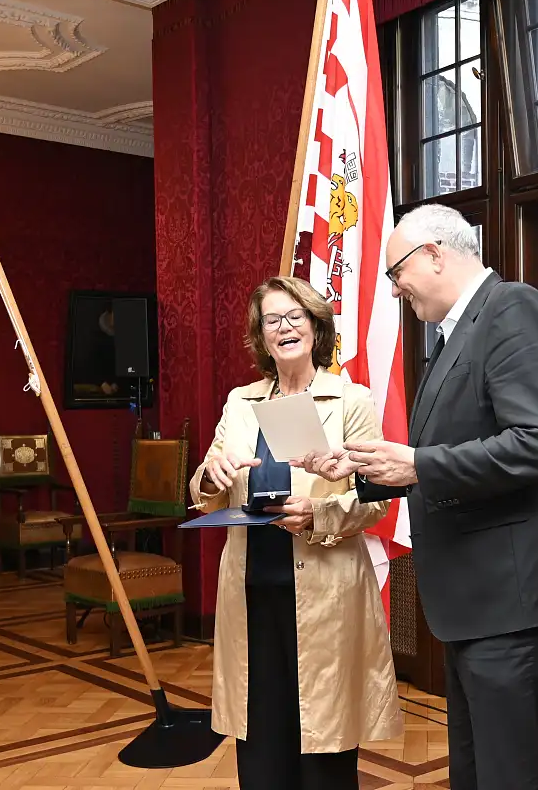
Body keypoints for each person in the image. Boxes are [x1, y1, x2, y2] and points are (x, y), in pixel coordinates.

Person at [297, 204, 538, 790]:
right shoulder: (458, 331)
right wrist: (363, 466)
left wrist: (414, 463)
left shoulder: (511, 310)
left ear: (435, 253)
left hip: (515, 602)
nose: (393, 291)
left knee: (511, 775)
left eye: (395, 275)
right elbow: (444, 456)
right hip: (478, 604)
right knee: (475, 772)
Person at [189, 276, 402, 790]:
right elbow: (204, 485)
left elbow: (377, 500)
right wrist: (210, 475)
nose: (283, 328)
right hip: (252, 594)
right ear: (259, 336)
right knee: (259, 743)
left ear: (315, 326)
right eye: (271, 320)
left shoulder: (350, 399)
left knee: (323, 747)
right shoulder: (240, 402)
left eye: (294, 317)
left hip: (325, 594)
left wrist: (318, 514)